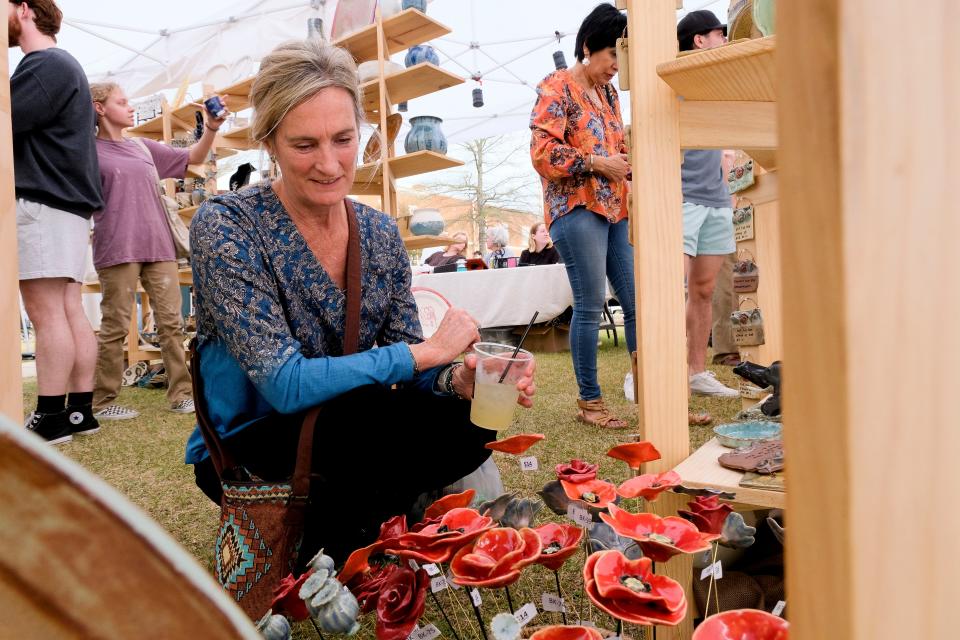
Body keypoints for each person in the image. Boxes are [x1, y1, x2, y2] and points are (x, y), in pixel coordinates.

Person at [186, 40, 536, 562]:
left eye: (343, 139)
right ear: (270, 143)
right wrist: (423, 356)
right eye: (305, 145)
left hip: (353, 427)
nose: (330, 164)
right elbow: (285, 385)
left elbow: (415, 362)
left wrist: (454, 378)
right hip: (255, 443)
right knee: (366, 422)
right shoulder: (227, 225)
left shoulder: (376, 232)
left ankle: (379, 522)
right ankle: (367, 526)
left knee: (468, 420)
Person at [87, 83, 227, 419]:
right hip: (116, 246)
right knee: (116, 325)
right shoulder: (87, 151)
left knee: (172, 323)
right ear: (100, 108)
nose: (130, 106)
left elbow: (192, 157)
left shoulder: (142, 148)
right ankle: (101, 402)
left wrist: (211, 128)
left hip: (159, 244)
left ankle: (180, 394)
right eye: (122, 102)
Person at [530, 3, 633, 429]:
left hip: (616, 207)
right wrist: (596, 163)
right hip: (574, 207)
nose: (615, 67)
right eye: (612, 56)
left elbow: (618, 148)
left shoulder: (609, 94)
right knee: (590, 303)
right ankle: (590, 403)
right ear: (589, 47)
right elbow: (542, 153)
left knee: (636, 302)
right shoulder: (555, 88)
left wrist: (624, 159)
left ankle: (657, 392)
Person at [10, 0, 104, 444]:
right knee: (67, 309)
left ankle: (49, 417)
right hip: (67, 204)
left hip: (44, 200)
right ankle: (77, 412)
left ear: (23, 9)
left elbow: (6, 122)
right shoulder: (64, 65)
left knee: (47, 313)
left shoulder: (43, 64)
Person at [677, 10, 739, 400]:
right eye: (721, 34)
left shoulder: (721, 83)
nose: (726, 40)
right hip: (681, 197)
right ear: (700, 40)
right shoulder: (674, 81)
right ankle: (654, 368)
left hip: (715, 200)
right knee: (669, 288)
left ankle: (697, 372)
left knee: (704, 290)